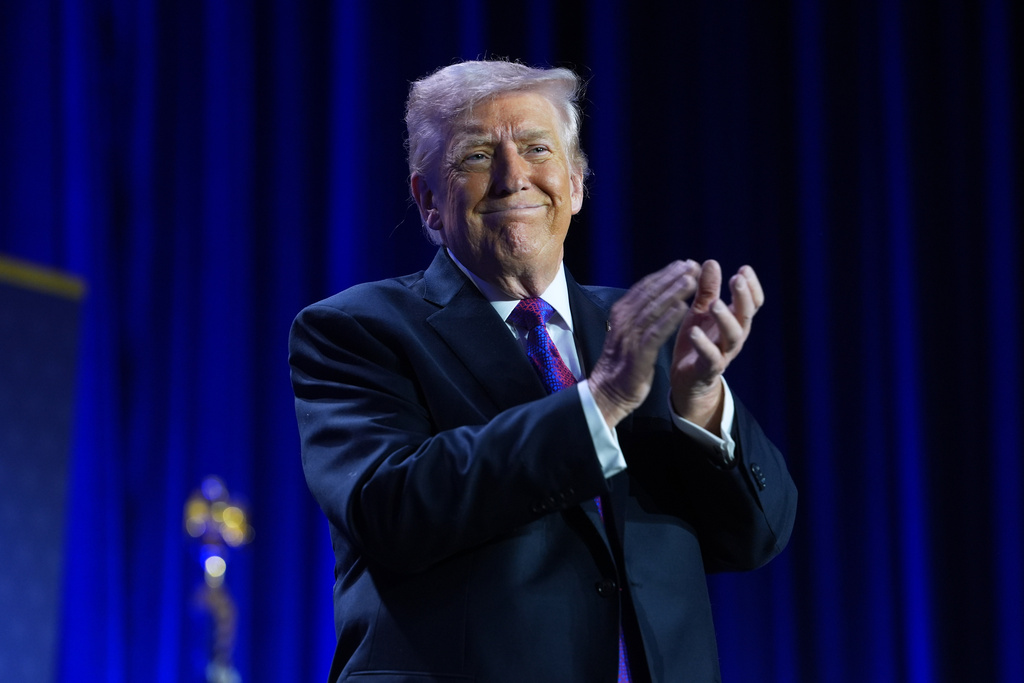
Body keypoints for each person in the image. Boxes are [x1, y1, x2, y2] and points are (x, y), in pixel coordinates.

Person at [289, 59, 797, 683]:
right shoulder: (357, 329)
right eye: (476, 156)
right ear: (427, 201)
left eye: (536, 149)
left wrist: (700, 400)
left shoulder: (645, 328)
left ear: (577, 184)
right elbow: (392, 510)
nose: (512, 177)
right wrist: (602, 400)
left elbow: (756, 538)